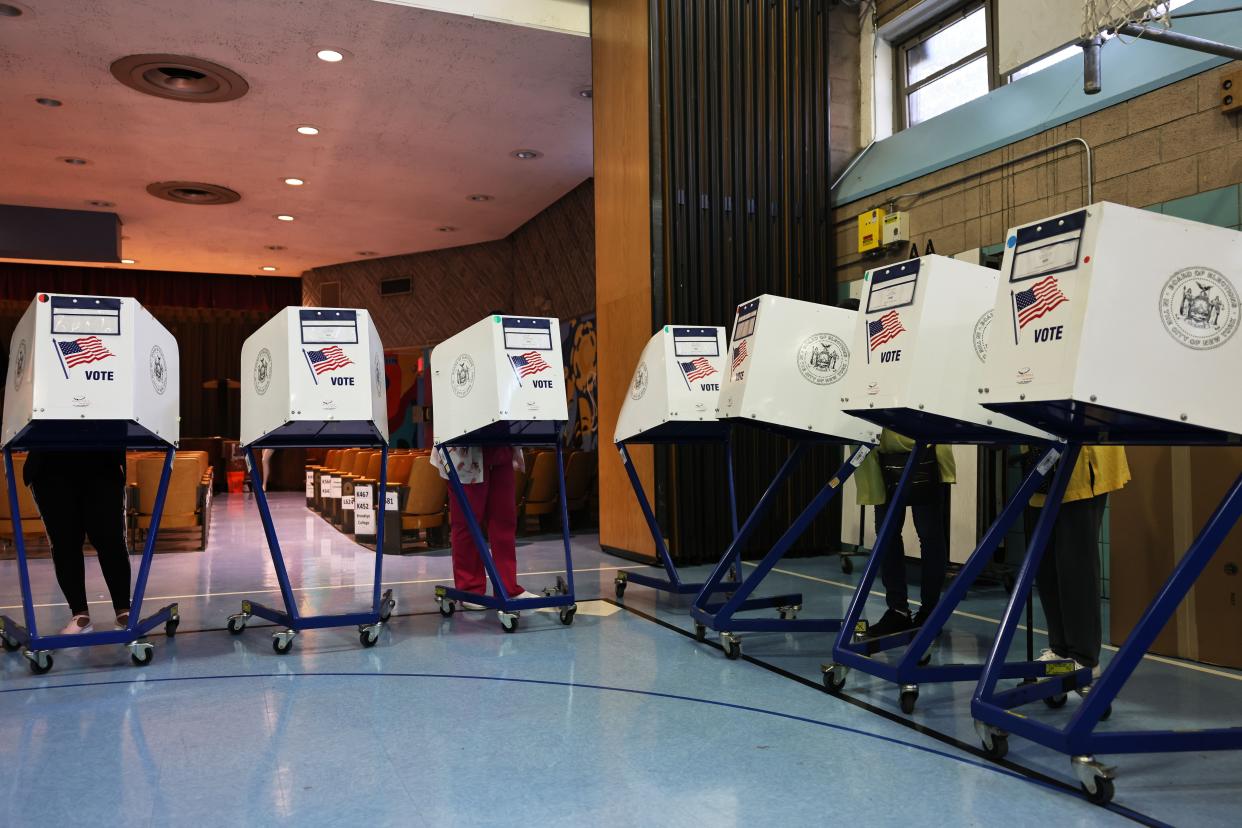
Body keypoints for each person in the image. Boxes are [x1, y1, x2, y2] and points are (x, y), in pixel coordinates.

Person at [1029, 446, 1130, 691]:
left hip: (1082, 465)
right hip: (1042, 465)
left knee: (1075, 565)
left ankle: (1085, 659)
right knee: (1046, 567)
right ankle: (1060, 651)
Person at [852, 430, 955, 637]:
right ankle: (898, 610)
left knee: (929, 536)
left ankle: (930, 613)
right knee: (887, 537)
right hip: (880, 455)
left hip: (925, 449)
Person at [23, 449, 131, 635]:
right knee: (64, 542)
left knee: (111, 540)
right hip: (50, 466)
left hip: (101, 461)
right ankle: (80, 614)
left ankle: (124, 610)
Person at [438, 445, 539, 609]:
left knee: (504, 521)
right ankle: (469, 588)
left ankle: (508, 587)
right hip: (464, 449)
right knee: (468, 522)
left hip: (500, 445)